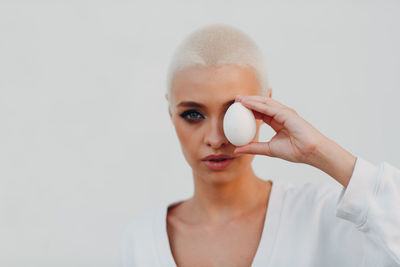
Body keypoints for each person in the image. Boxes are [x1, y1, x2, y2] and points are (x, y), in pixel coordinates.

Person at [118, 24, 400, 267]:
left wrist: (319, 151)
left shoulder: (323, 215)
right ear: (171, 114)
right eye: (193, 115)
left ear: (266, 107)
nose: (215, 139)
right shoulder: (142, 241)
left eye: (234, 114)